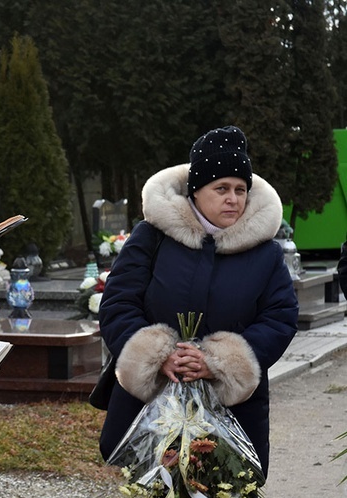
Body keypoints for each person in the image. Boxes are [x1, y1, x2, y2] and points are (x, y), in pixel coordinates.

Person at [97, 125, 299, 479]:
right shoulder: (152, 237)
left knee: (224, 483)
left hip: (234, 411)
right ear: (195, 192)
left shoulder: (266, 253)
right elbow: (118, 303)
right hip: (152, 406)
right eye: (221, 188)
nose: (233, 199)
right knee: (153, 485)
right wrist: (159, 356)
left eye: (240, 190)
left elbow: (279, 317)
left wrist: (218, 362)